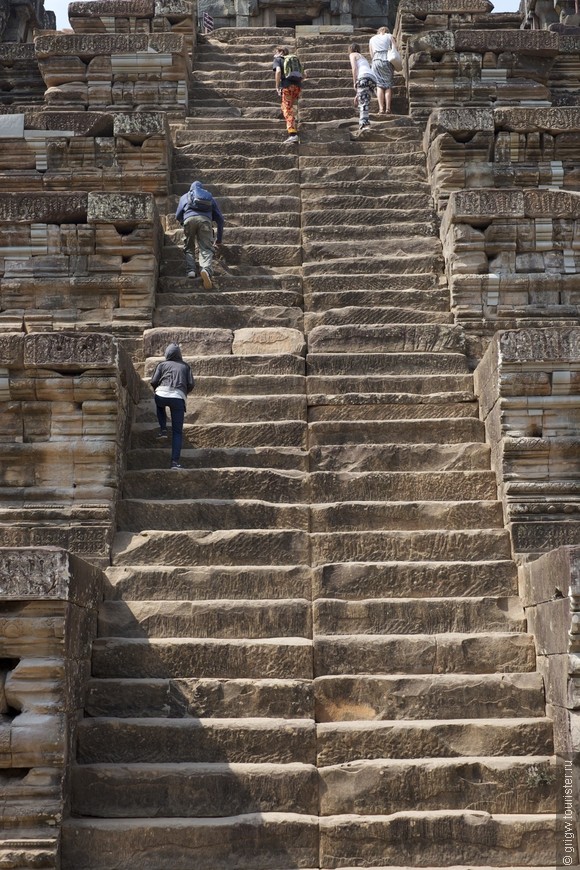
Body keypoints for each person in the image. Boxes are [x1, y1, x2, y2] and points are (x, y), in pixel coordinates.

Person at [150, 343, 194, 469]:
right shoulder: (185, 366)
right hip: (178, 398)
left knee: (159, 404)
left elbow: (153, 381)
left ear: (167, 354)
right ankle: (175, 462)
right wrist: (183, 392)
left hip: (161, 394)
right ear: (179, 354)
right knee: (177, 432)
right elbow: (191, 384)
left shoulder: (162, 365)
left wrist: (157, 390)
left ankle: (163, 429)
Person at [175, 180, 224, 290]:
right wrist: (219, 239)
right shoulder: (209, 197)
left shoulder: (185, 197)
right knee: (206, 248)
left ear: (191, 189)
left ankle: (191, 270)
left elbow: (177, 215)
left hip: (189, 220)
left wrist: (183, 221)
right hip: (205, 221)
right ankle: (205, 269)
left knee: (189, 246)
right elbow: (220, 219)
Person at [272, 46, 303, 144]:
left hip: (287, 86)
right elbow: (303, 75)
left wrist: (277, 86)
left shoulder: (278, 60)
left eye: (276, 51)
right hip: (297, 87)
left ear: (280, 52)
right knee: (289, 107)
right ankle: (292, 126)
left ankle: (293, 134)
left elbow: (278, 72)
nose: (275, 54)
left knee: (287, 108)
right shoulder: (293, 59)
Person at [369, 26, 397, 114]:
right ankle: (388, 108)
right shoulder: (389, 36)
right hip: (386, 60)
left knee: (379, 85)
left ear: (378, 31)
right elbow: (395, 48)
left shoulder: (372, 39)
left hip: (376, 61)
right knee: (388, 86)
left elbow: (371, 53)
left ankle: (381, 109)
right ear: (386, 31)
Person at [349, 43, 377, 131]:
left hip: (363, 77)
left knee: (363, 103)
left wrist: (354, 82)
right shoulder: (362, 57)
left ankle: (364, 124)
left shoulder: (352, 55)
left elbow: (354, 68)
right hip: (372, 78)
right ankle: (365, 122)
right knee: (364, 101)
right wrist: (357, 94)